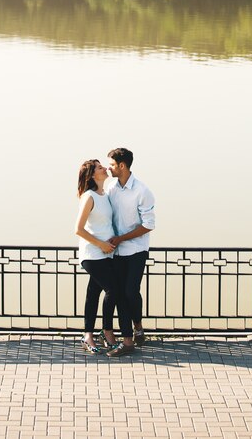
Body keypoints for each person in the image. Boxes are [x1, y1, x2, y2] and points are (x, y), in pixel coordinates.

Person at [75, 159, 133, 356]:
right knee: (113, 290)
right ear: (92, 175)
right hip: (92, 254)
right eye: (100, 167)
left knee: (93, 293)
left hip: (107, 254)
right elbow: (79, 229)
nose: (105, 168)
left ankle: (88, 335)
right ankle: (107, 332)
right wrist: (101, 244)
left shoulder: (105, 195)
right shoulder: (89, 196)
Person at [106, 147, 155, 354]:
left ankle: (138, 326)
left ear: (122, 166)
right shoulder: (111, 188)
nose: (109, 169)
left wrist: (122, 238)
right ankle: (128, 340)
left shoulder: (142, 191)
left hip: (136, 250)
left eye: (112, 165)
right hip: (116, 252)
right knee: (119, 295)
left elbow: (148, 224)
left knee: (130, 292)